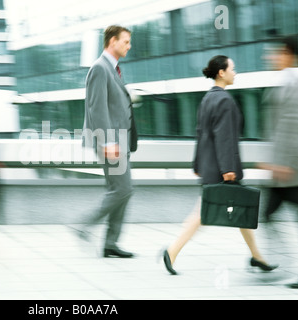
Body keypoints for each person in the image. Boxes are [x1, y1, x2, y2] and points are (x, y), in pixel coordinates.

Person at [161, 55, 277, 275]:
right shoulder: (224, 100)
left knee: (240, 208)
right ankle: (171, 251)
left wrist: (197, 163)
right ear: (221, 73)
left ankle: (257, 256)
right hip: (222, 169)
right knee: (203, 215)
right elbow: (224, 137)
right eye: (233, 69)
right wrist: (228, 169)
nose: (235, 72)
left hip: (211, 165)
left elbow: (201, 134)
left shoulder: (207, 98)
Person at [78, 25, 138, 258]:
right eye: (125, 41)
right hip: (110, 141)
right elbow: (97, 108)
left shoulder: (112, 69)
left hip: (120, 140)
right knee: (122, 189)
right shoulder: (100, 68)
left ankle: (111, 243)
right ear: (112, 41)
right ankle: (83, 225)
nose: (129, 46)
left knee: (122, 190)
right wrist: (107, 142)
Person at [259, 36, 298, 288]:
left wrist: (282, 163)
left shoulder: (292, 82)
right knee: (268, 214)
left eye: (274, 53)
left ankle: (271, 261)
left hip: (289, 170)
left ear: (286, 53)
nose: (269, 58)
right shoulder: (286, 80)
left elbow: (291, 126)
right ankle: (267, 260)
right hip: (284, 169)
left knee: (269, 215)